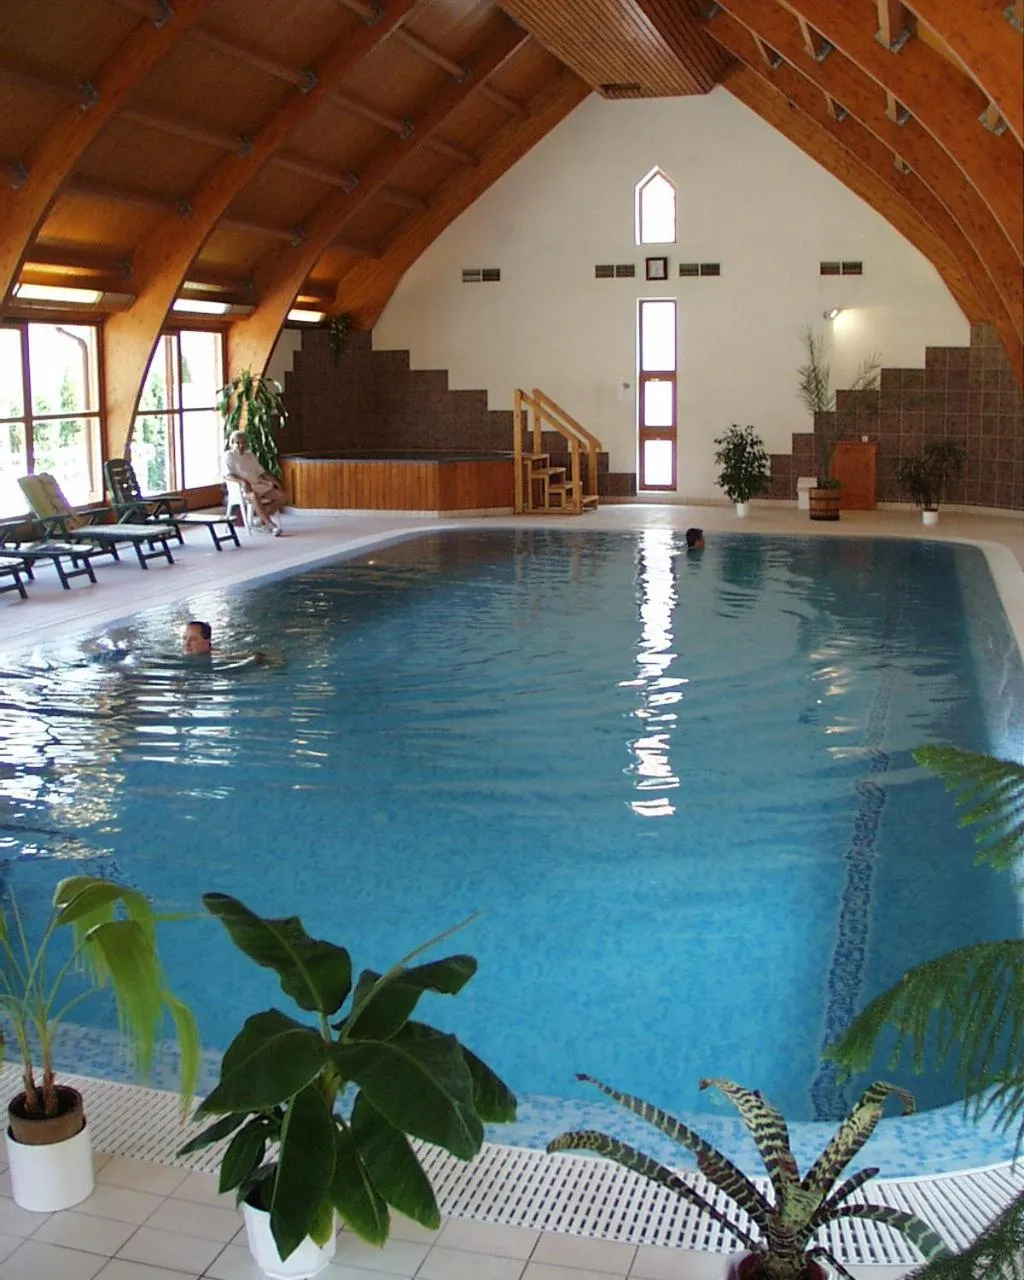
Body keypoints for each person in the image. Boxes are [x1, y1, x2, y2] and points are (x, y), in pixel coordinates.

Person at [222, 431, 286, 536]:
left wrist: (274, 481)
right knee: (253, 495)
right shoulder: (229, 456)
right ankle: (271, 525)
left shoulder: (250, 455)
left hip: (257, 484)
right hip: (241, 489)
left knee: (281, 496)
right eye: (237, 443)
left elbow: (261, 472)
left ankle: (262, 519)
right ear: (232, 443)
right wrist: (242, 482)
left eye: (243, 443)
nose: (241, 445)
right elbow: (227, 475)